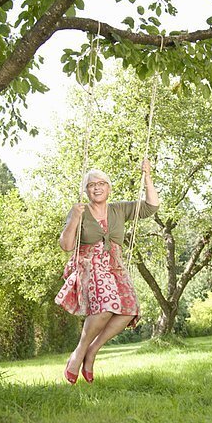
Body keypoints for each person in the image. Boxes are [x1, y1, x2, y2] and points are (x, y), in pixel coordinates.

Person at [55, 159, 159, 384]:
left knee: (129, 310)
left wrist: (147, 175)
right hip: (90, 265)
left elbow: (151, 206)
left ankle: (92, 351)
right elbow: (66, 245)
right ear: (86, 190)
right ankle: (79, 353)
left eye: (102, 183)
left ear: (109, 188)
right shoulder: (79, 212)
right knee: (105, 308)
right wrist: (73, 219)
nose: (97, 187)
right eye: (92, 185)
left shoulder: (119, 209)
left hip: (115, 266)